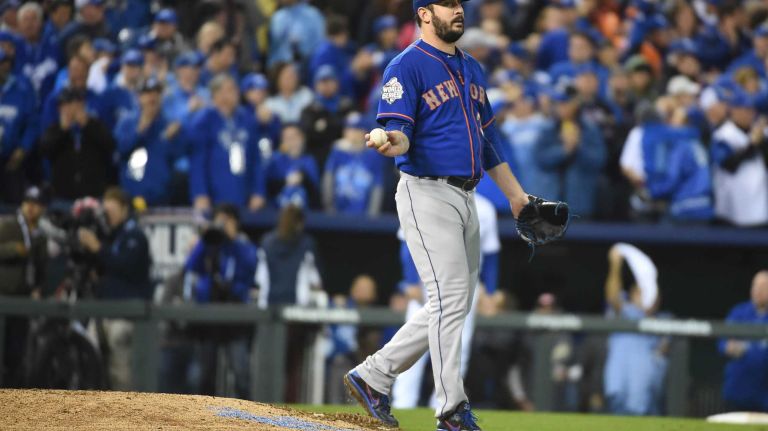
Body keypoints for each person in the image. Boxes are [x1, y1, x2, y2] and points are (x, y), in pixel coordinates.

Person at [343, 1, 530, 429]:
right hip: (426, 190)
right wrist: (392, 140)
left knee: (454, 302)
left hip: (468, 196)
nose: (457, 10)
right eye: (447, 4)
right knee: (449, 298)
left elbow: (489, 141)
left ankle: (373, 375)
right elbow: (399, 131)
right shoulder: (405, 65)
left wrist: (516, 196)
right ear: (425, 14)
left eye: (459, 3)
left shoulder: (472, 68)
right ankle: (451, 410)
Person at [391, 192, 501, 410]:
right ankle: (403, 401)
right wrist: (411, 280)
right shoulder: (426, 194)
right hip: (428, 280)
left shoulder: (484, 208)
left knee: (459, 346)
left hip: (467, 282)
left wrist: (490, 291)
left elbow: (491, 254)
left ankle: (444, 405)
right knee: (413, 342)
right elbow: (407, 241)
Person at [77, 187, 152, 390]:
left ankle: (123, 409)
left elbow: (125, 265)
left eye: (112, 210)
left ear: (124, 209)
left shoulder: (135, 235)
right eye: (106, 211)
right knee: (90, 360)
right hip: (102, 312)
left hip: (124, 314)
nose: (108, 215)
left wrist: (98, 248)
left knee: (119, 372)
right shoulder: (110, 235)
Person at [184, 204, 256, 398]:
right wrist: (205, 239)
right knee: (204, 375)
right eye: (219, 220)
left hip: (235, 315)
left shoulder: (243, 246)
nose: (222, 225)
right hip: (210, 315)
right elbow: (190, 266)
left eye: (227, 220)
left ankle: (248, 415)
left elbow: (250, 268)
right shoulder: (210, 245)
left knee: (241, 375)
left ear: (235, 222)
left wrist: (232, 239)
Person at [603, 243, 667, 416]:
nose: (643, 296)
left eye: (646, 292)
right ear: (631, 294)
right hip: (618, 376)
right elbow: (613, 297)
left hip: (644, 384)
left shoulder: (662, 319)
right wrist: (616, 265)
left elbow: (665, 348)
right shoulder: (625, 312)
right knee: (617, 407)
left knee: (640, 410)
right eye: (639, 292)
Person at [188, 74, 266, 211]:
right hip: (215, 192)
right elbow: (198, 160)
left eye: (234, 89)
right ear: (216, 95)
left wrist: (258, 191)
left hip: (244, 191)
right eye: (227, 90)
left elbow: (257, 159)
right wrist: (200, 193)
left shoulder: (248, 119)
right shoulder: (205, 120)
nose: (233, 94)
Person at [0, 186, 48, 387]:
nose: (31, 207)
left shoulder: (40, 235)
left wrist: (38, 287)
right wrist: (14, 249)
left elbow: (41, 267)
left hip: (23, 299)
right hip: (4, 297)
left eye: (36, 204)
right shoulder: (8, 225)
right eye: (28, 202)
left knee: (17, 353)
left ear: (43, 208)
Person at [535, 88, 606, 218]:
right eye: (558, 104)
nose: (561, 107)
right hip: (551, 201)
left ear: (575, 103)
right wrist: (565, 150)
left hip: (580, 202)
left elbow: (598, 160)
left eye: (565, 103)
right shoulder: (548, 129)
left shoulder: (590, 129)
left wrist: (577, 146)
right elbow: (541, 160)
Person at [39, 86, 115, 201]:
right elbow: (44, 151)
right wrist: (62, 130)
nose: (70, 109)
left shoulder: (96, 125)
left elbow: (110, 146)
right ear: (60, 109)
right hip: (62, 196)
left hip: (93, 196)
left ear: (83, 105)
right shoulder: (54, 129)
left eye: (74, 104)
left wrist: (87, 125)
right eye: (66, 105)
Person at [114, 78, 180, 206]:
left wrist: (172, 139)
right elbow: (119, 151)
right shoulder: (127, 122)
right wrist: (140, 130)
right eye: (147, 93)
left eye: (156, 93)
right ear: (139, 97)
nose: (152, 97)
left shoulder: (168, 125)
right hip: (131, 194)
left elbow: (177, 158)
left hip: (161, 196)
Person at [711, 92, 768, 227]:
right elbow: (728, 165)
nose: (749, 114)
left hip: (760, 207)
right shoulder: (723, 134)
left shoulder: (759, 132)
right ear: (733, 110)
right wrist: (751, 145)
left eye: (751, 110)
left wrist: (761, 142)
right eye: (745, 110)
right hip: (732, 211)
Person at [719, 270, 768, 412]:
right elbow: (722, 343)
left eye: (763, 287)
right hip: (737, 392)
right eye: (755, 286)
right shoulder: (739, 312)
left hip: (764, 394)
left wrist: (748, 349)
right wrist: (730, 347)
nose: (757, 291)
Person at [322, 112, 385, 216]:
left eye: (355, 129)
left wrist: (372, 215)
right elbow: (328, 178)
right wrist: (329, 207)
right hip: (336, 214)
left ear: (364, 132)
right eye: (348, 129)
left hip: (363, 217)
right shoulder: (338, 152)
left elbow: (377, 187)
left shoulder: (373, 156)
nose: (351, 133)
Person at [0, 46, 38, 204]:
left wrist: (23, 148)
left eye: (3, 63)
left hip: (12, 158)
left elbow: (32, 122)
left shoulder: (22, 89)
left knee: (13, 204)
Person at [264, 123, 320, 209]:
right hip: (277, 211)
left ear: (302, 138)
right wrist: (286, 181)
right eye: (287, 138)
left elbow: (315, 193)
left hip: (305, 212)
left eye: (294, 137)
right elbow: (268, 188)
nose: (291, 142)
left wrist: (303, 178)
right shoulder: (275, 160)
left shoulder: (310, 161)